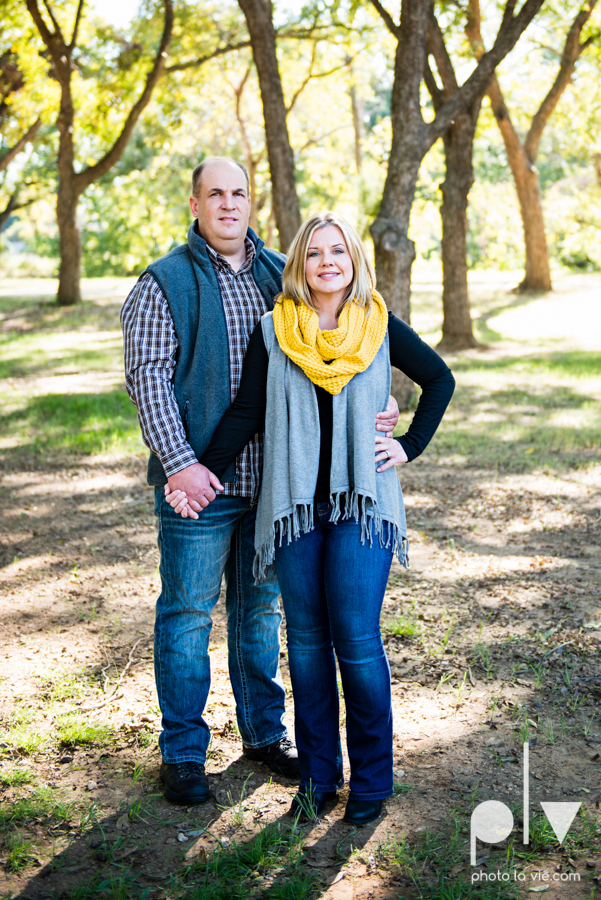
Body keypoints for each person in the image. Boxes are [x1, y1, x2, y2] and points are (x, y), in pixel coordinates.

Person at [120, 161, 400, 806]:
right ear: (194, 204)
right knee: (189, 614)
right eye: (214, 194)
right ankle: (186, 753)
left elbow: (340, 351)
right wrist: (183, 466)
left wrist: (382, 414)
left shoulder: (286, 272)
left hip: (281, 487)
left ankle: (264, 735)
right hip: (202, 482)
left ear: (252, 202)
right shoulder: (163, 283)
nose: (227, 204)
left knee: (261, 612)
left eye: (238, 193)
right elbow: (149, 379)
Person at [165, 211, 455, 825]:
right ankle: (320, 780)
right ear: (300, 263)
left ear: (354, 262)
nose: (328, 263)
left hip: (361, 505)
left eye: (339, 253)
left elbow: (438, 378)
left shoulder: (377, 323)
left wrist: (408, 444)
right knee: (305, 647)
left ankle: (372, 783)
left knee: (355, 641)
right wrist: (198, 476)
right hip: (293, 508)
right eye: (316, 253)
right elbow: (246, 413)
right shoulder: (275, 331)